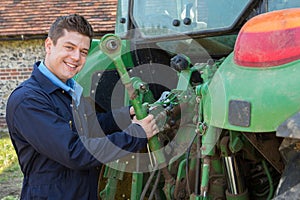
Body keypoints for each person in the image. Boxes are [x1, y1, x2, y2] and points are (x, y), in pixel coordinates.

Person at [6, 14, 159, 200]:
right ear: (49, 45)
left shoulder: (70, 90)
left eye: (83, 51)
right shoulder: (28, 100)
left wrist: (127, 114)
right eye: (69, 48)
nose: (76, 57)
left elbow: (92, 125)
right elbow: (74, 152)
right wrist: (136, 134)